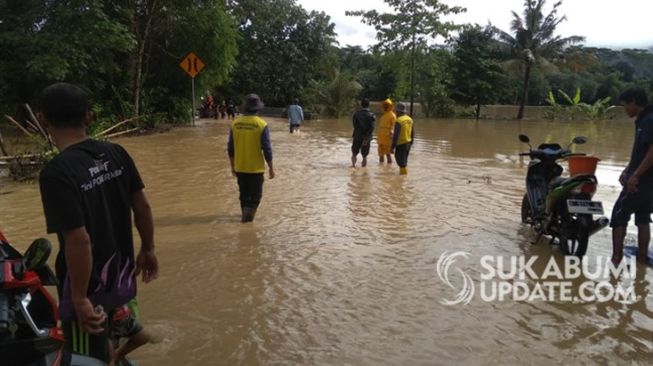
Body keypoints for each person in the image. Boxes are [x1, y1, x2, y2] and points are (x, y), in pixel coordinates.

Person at [37, 82, 159, 365]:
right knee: (109, 344)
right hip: (122, 280)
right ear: (89, 117)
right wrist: (149, 249)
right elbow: (142, 205)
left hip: (89, 291)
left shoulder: (57, 173)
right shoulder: (116, 152)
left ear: (42, 120)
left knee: (86, 358)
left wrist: (79, 299)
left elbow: (79, 240)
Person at [611, 88, 653, 265]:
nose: (625, 109)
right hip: (648, 181)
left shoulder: (649, 121)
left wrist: (635, 176)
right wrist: (627, 169)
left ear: (634, 101)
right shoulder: (644, 119)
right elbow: (641, 152)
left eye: (625, 105)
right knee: (643, 217)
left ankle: (616, 259)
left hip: (641, 181)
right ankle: (642, 260)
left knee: (618, 216)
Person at [227, 94, 275, 222]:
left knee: (244, 196)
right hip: (255, 169)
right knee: (255, 197)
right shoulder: (261, 124)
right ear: (258, 109)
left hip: (240, 167)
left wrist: (232, 167)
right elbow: (267, 148)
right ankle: (246, 222)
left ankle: (245, 220)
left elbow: (230, 148)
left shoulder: (235, 124)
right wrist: (271, 168)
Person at [112, 298, 150, 366]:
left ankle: (118, 356)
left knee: (144, 337)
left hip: (124, 316)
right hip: (109, 320)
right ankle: (116, 358)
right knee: (111, 350)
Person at [351, 98, 375, 167]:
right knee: (364, 156)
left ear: (361, 105)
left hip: (357, 136)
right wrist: (366, 138)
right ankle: (364, 171)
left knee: (354, 153)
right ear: (368, 105)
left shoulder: (356, 114)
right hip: (367, 138)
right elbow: (372, 128)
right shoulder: (371, 115)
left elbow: (354, 125)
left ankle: (353, 166)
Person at [391, 102, 414, 175]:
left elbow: (395, 135)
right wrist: (411, 142)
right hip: (408, 143)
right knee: (404, 161)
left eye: (396, 111)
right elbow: (413, 132)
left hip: (401, 144)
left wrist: (392, 147)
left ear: (398, 111)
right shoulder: (410, 119)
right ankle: (403, 174)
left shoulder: (399, 121)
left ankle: (403, 179)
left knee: (401, 162)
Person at [377, 98, 396, 164]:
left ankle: (389, 167)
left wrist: (391, 134)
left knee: (388, 154)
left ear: (389, 106)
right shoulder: (383, 115)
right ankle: (381, 167)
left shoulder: (392, 115)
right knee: (380, 154)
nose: (385, 106)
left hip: (388, 137)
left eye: (386, 105)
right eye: (384, 105)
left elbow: (394, 126)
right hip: (381, 137)